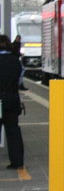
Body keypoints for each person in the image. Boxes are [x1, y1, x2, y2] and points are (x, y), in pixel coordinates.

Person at [0, 34, 24, 170]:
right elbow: (20, 82)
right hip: (12, 100)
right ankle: (17, 162)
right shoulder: (16, 61)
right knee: (13, 131)